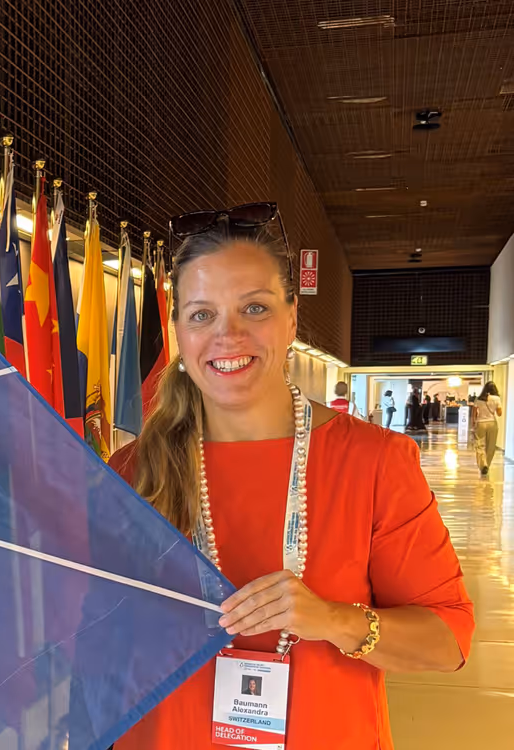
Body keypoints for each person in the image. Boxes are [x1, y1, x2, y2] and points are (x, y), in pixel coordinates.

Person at [110, 204, 473, 748]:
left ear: (291, 319)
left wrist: (334, 620)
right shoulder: (133, 470)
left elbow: (449, 641)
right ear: (179, 331)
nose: (227, 336)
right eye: (202, 314)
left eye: (253, 308)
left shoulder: (373, 462)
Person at [473, 383, 504, 478]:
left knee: (480, 445)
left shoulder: (478, 399)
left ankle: (483, 465)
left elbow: (474, 413)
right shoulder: (497, 399)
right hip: (492, 424)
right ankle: (487, 465)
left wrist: (473, 423)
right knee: (491, 446)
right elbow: (499, 414)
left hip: (481, 423)